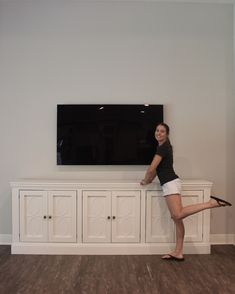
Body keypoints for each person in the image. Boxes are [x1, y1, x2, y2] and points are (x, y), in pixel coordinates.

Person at [140, 123, 232, 261]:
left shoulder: (163, 148)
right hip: (170, 183)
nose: (158, 133)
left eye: (162, 131)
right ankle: (178, 252)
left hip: (170, 184)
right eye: (157, 130)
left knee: (177, 214)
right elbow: (156, 170)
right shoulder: (163, 147)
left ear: (167, 134)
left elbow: (151, 169)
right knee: (177, 219)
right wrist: (149, 179)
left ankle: (211, 203)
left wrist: (146, 180)